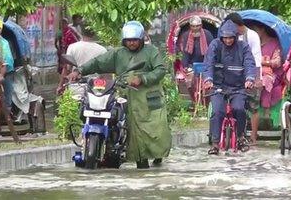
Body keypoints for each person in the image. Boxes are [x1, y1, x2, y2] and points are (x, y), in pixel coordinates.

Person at [68, 20, 171, 169]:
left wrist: (142, 78)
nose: (132, 43)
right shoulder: (118, 54)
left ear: (141, 39)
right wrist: (79, 71)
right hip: (126, 97)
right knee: (129, 130)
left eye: (135, 40)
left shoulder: (151, 51)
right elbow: (98, 62)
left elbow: (160, 70)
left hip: (148, 99)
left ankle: (157, 157)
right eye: (128, 40)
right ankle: (138, 162)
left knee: (155, 129)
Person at [203, 20, 256, 155]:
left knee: (239, 109)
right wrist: (208, 80)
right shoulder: (215, 45)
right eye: (225, 38)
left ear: (235, 37)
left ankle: (240, 138)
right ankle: (215, 143)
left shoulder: (243, 47)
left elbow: (250, 64)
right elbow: (208, 63)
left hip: (238, 87)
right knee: (217, 112)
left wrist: (249, 79)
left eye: (231, 37)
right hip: (218, 87)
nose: (228, 40)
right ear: (221, 37)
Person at [224, 12, 262, 144]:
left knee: (253, 106)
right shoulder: (232, 38)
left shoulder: (252, 36)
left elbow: (256, 58)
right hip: (235, 76)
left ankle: (253, 137)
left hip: (251, 73)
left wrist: (255, 79)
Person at [251, 23, 283, 143]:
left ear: (262, 29)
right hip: (254, 72)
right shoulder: (252, 42)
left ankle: (266, 110)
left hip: (270, 73)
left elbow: (277, 62)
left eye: (256, 29)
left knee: (265, 81)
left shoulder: (274, 43)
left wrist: (262, 62)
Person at [56, 25, 107, 94]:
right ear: (94, 33)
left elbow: (66, 69)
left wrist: (60, 86)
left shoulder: (73, 47)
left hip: (76, 87)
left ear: (81, 33)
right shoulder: (102, 50)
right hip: (96, 88)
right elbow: (105, 73)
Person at [177, 15, 214, 102]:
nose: (195, 28)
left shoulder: (207, 34)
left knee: (205, 85)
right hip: (192, 65)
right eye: (193, 26)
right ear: (190, 26)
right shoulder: (186, 36)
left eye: (197, 26)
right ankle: (195, 102)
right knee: (190, 85)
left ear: (201, 26)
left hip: (205, 64)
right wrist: (185, 66)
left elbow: (212, 51)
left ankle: (206, 104)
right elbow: (185, 53)